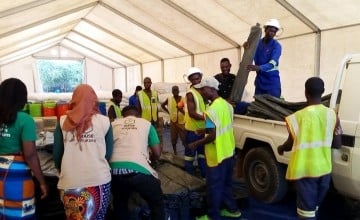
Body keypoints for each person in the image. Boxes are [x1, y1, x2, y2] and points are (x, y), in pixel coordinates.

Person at [277, 77, 342, 220]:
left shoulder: (297, 118)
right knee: (314, 208)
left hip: (305, 172)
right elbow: (337, 144)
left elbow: (289, 143)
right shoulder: (332, 115)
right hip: (324, 170)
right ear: (323, 91)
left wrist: (281, 148)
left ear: (305, 93)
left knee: (306, 213)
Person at [53, 84, 113, 220]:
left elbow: (57, 155)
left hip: (69, 181)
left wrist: (66, 169)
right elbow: (108, 154)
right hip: (99, 180)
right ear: (94, 100)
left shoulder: (62, 122)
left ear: (74, 99)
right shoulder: (105, 122)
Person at [189, 76, 241, 220]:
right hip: (229, 152)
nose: (201, 93)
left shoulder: (210, 112)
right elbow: (221, 127)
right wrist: (202, 131)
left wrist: (196, 143)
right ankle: (233, 210)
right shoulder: (227, 106)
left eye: (203, 90)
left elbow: (212, 136)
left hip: (216, 156)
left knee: (214, 187)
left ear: (211, 90)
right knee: (226, 184)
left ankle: (212, 215)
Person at [0, 78, 48, 219]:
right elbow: (30, 155)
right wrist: (42, 182)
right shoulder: (24, 119)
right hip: (17, 176)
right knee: (20, 215)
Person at [110, 105, 165, 220]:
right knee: (157, 202)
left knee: (120, 204)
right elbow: (157, 152)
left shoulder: (113, 125)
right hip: (137, 169)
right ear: (139, 115)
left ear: (122, 116)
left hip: (113, 170)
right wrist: (152, 160)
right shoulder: (146, 124)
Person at [246, 18, 282, 98]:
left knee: (272, 107)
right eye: (270, 30)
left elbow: (272, 63)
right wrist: (246, 46)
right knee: (258, 107)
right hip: (260, 83)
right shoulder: (257, 43)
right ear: (265, 29)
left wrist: (259, 68)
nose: (272, 33)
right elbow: (249, 52)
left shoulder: (277, 46)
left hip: (272, 83)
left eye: (274, 32)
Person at [184, 67, 207, 178]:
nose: (196, 81)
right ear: (190, 80)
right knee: (190, 156)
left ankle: (203, 177)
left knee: (203, 155)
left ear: (201, 77)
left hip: (204, 130)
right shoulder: (190, 94)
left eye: (198, 79)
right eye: (193, 80)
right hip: (193, 131)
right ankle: (189, 180)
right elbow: (192, 113)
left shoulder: (204, 91)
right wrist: (207, 118)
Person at [137, 77, 163, 148]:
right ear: (143, 84)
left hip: (154, 120)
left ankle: (153, 150)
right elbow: (139, 108)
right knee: (145, 137)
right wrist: (139, 120)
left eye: (148, 82)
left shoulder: (154, 93)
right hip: (144, 119)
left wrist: (157, 118)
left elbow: (156, 106)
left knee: (153, 137)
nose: (147, 84)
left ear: (151, 83)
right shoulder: (140, 94)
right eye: (145, 83)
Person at [161, 85, 186, 155]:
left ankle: (186, 152)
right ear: (172, 91)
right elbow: (162, 105)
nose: (175, 91)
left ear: (179, 91)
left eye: (176, 90)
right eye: (174, 90)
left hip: (181, 122)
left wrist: (182, 111)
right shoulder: (169, 99)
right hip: (173, 122)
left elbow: (186, 111)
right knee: (173, 138)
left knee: (184, 138)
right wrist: (168, 112)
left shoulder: (183, 99)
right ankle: (175, 152)